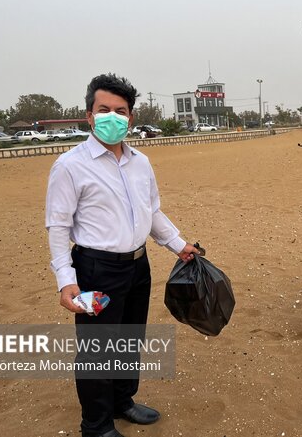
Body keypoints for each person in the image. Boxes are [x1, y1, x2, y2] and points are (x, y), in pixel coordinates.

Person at [46, 73, 200, 437]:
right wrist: (66, 280)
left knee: (130, 340)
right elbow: (57, 227)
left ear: (130, 117)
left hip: (137, 267)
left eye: (121, 111)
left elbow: (152, 212)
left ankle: (122, 401)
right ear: (89, 115)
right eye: (104, 110)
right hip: (94, 270)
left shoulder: (140, 162)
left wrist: (178, 245)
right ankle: (96, 425)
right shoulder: (70, 165)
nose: (113, 117)